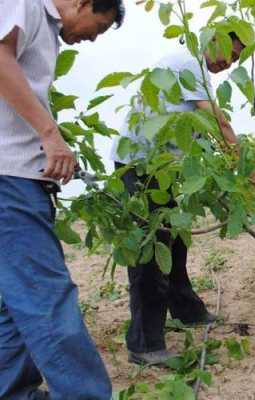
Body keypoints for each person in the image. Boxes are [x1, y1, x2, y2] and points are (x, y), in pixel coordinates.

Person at [0, 0, 125, 398]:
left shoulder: (43, 28)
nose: (92, 37)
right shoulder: (24, 3)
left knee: (11, 305)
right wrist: (50, 135)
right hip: (9, 179)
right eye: (99, 26)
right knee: (46, 297)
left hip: (14, 178)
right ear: (84, 3)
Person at [109, 32, 244, 366]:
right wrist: (243, 164)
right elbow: (216, 121)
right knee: (149, 252)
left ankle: (186, 310)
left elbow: (199, 132)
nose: (230, 62)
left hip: (164, 169)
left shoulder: (197, 73)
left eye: (238, 58)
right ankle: (145, 343)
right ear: (213, 40)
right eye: (230, 52)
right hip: (141, 167)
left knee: (175, 242)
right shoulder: (188, 65)